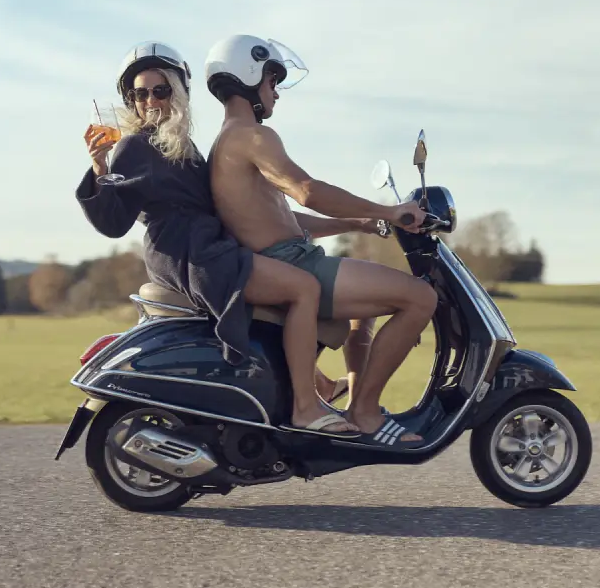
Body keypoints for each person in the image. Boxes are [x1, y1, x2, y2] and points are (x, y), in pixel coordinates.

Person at [77, 42, 359, 437]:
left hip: (211, 245)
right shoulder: (134, 146)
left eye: (160, 90)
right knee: (302, 288)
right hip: (188, 253)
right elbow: (112, 223)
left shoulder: (183, 146)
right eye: (140, 94)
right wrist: (99, 168)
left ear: (177, 92)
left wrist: (355, 224)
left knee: (284, 292)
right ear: (132, 101)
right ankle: (306, 408)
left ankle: (316, 388)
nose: (150, 101)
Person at [203, 35, 440, 444]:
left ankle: (350, 401)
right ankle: (365, 412)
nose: (275, 91)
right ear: (249, 75)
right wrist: (388, 210)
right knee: (420, 298)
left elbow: (285, 218)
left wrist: (360, 223)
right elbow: (307, 191)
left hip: (287, 255)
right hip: (292, 263)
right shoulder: (254, 136)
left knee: (364, 312)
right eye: (272, 80)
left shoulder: (228, 142)